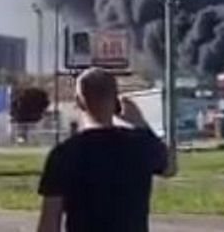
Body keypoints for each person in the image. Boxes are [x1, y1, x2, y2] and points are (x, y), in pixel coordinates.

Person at [36, 67, 169, 232]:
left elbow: (49, 223)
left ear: (79, 102)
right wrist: (141, 124)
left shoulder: (64, 154)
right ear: (116, 101)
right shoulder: (140, 145)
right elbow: (169, 167)